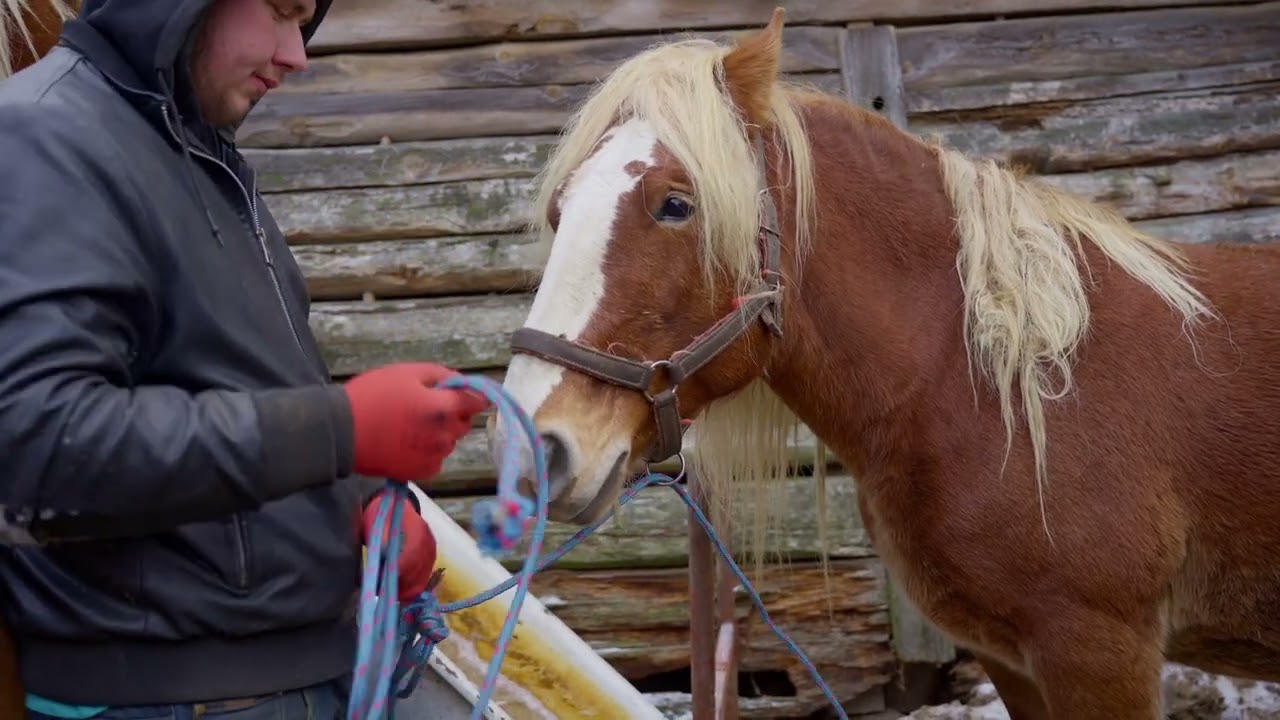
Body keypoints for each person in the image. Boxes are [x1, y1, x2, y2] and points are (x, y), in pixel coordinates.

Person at [0, 0, 489, 717]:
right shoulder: (43, 136)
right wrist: (343, 429)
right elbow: (37, 443)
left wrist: (362, 497)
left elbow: (242, 387)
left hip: (294, 675)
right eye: (281, 10)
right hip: (173, 699)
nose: (296, 54)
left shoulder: (195, 152)